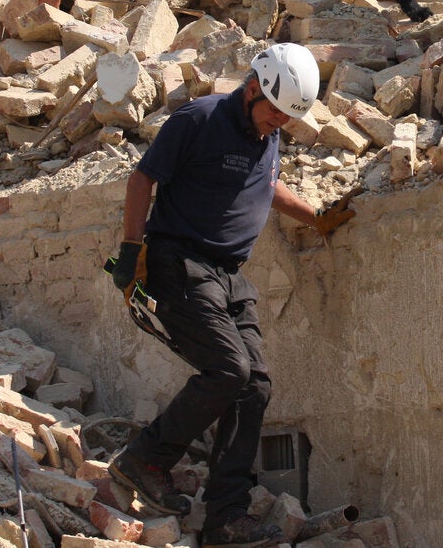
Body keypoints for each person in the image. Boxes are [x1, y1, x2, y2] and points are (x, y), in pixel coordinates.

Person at [107, 42, 357, 548]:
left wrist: (317, 218)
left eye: (287, 120)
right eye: (274, 113)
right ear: (251, 89)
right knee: (228, 371)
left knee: (254, 387)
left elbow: (266, 187)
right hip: (179, 264)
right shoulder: (198, 119)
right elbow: (142, 179)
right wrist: (132, 249)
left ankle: (225, 519)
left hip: (228, 276)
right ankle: (144, 460)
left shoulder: (268, 136)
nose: (277, 125)